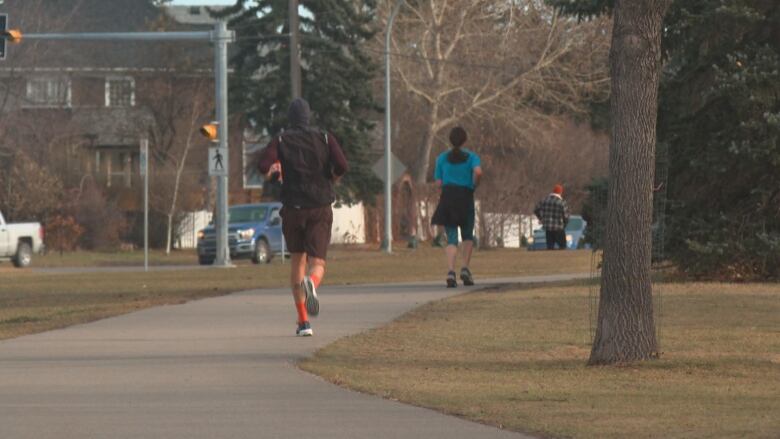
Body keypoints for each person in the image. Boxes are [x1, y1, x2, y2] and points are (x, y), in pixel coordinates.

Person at [256, 98, 348, 336]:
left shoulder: (281, 139)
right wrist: (332, 176)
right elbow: (342, 164)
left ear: (290, 118)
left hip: (293, 207)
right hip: (319, 205)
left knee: (298, 260)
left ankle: (303, 321)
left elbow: (263, 165)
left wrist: (272, 175)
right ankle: (313, 284)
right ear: (309, 116)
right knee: (317, 262)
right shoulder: (325, 138)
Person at [431, 126, 483, 288]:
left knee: (451, 238)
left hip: (448, 197)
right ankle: (465, 269)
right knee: (467, 236)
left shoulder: (441, 158)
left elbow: (438, 182)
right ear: (465, 140)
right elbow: (478, 172)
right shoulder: (472, 157)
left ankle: (451, 271)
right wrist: (474, 185)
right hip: (465, 196)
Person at [533, 184, 570, 250]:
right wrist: (565, 224)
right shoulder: (561, 202)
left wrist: (541, 218)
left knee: (550, 247)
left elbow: (536, 210)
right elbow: (566, 216)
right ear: (560, 192)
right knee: (562, 247)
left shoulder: (544, 200)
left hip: (548, 228)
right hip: (559, 228)